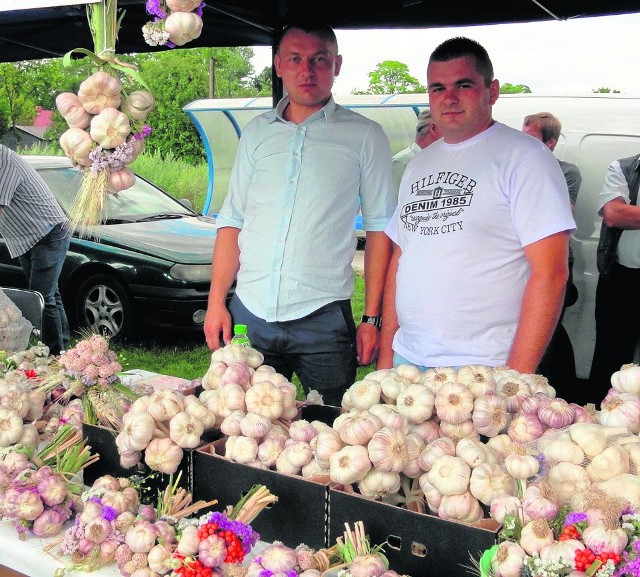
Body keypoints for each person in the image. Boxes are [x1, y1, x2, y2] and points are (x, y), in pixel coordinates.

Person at [203, 22, 394, 406]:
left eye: (319, 60)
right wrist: (215, 302)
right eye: (295, 59)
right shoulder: (256, 134)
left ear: (337, 64)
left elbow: (380, 230)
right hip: (249, 313)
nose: (307, 70)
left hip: (322, 317)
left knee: (335, 428)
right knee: (243, 424)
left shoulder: (364, 135)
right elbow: (233, 221)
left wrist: (372, 320)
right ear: (278, 65)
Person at [378, 37, 576, 374]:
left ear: (492, 91)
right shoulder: (419, 165)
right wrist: (386, 361)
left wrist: (516, 379)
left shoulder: (526, 158)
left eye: (463, 84)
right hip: (408, 362)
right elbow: (401, 259)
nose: (449, 98)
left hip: (483, 371)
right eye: (437, 88)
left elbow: (551, 273)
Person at [522, 112, 582, 398]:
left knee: (548, 326)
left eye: (531, 138)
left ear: (552, 142)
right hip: (524, 260)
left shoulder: (566, 171)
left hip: (555, 260)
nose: (523, 145)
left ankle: (551, 392)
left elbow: (560, 214)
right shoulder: (517, 168)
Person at [0, 144, 71, 355]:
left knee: (40, 297)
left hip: (48, 232)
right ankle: (63, 350)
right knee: (51, 295)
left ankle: (51, 355)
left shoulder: (4, 159)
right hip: (25, 237)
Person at [587, 153, 640, 404]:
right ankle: (597, 425)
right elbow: (614, 214)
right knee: (609, 362)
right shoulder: (624, 167)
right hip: (621, 281)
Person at [391, 108, 441, 195]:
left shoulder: (439, 162)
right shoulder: (401, 163)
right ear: (433, 128)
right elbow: (392, 204)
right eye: (450, 129)